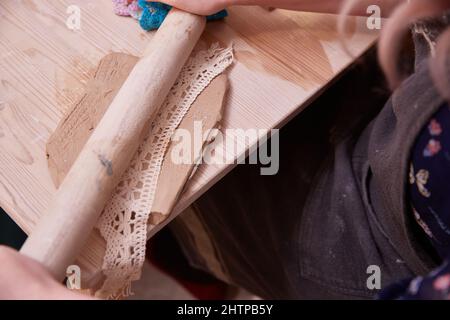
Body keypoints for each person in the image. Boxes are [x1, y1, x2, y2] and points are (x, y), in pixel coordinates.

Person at [2, 0, 450, 299]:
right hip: (399, 121)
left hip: (374, 241)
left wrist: (40, 293)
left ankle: (209, 281)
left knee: (179, 196)